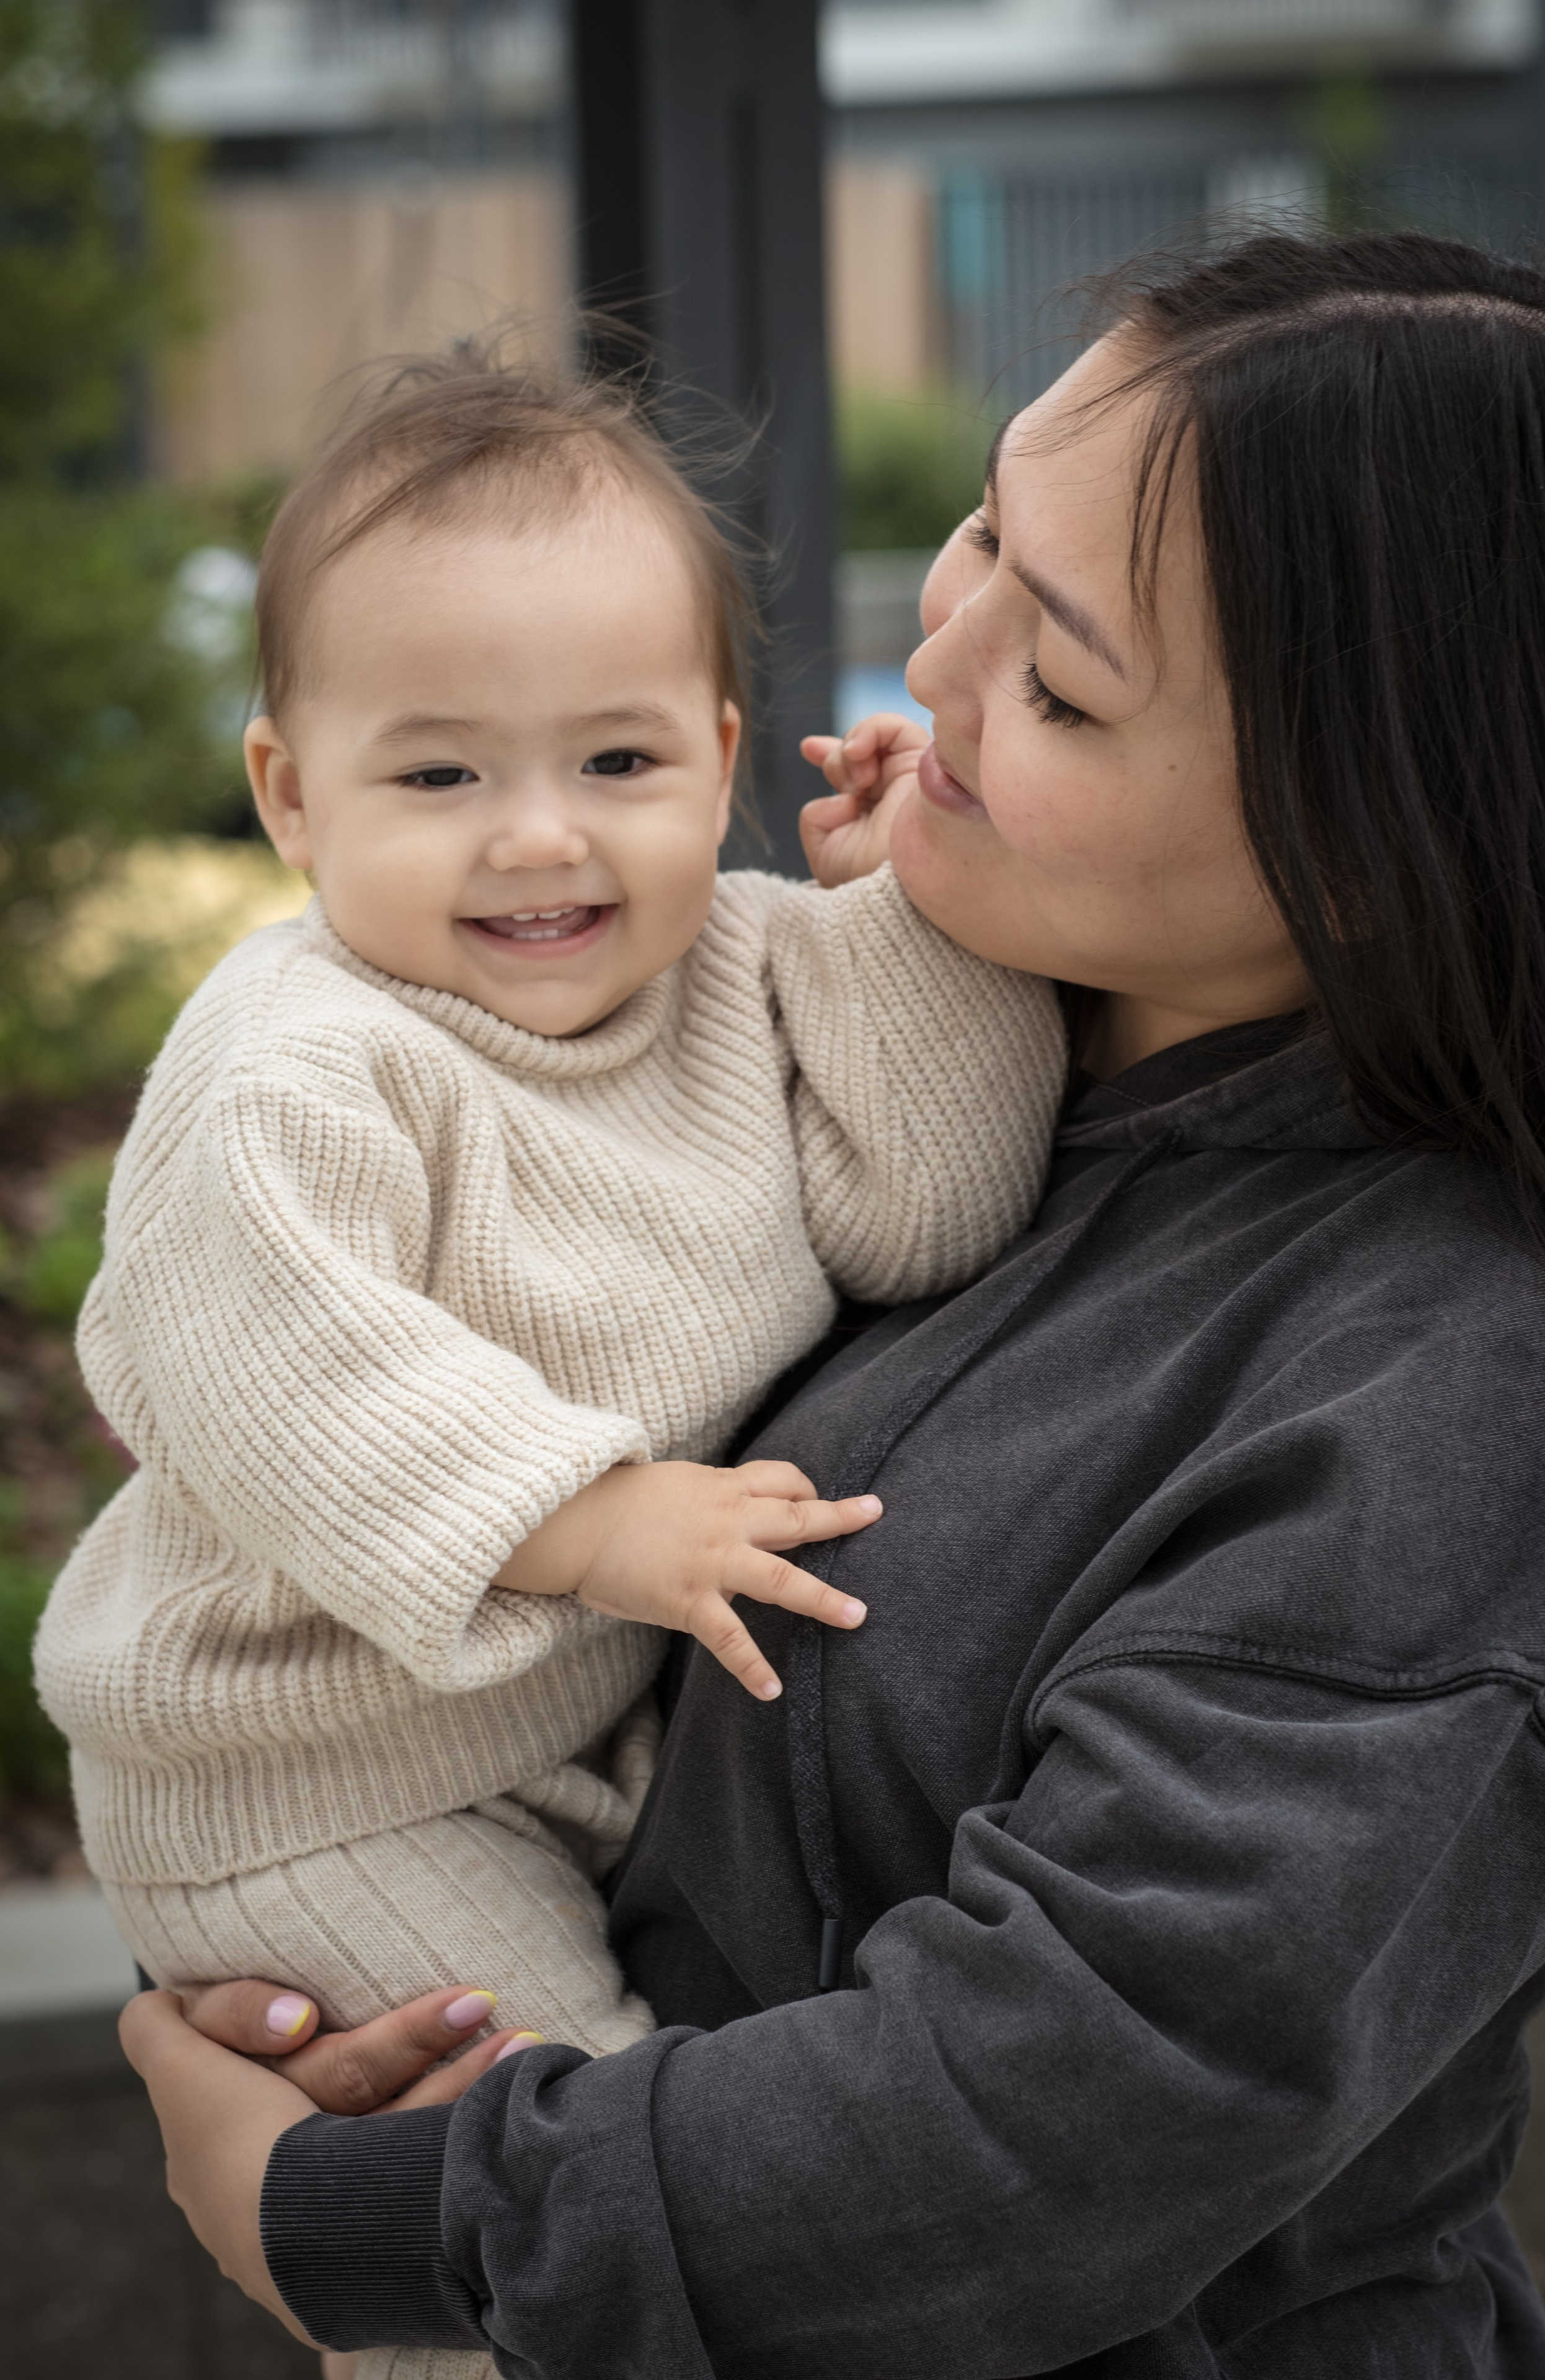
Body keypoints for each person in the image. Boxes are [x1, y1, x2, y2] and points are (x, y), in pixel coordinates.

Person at [121, 229, 1545, 2378]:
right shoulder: (1014, 1029)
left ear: (1369, 839)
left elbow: (1041, 2119)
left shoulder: (1453, 1402)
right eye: (986, 526)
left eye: (1064, 687)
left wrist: (353, 2209)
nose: (944, 654)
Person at [34, 342, 1065, 2380]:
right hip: (305, 1784)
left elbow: (926, 1207)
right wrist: (589, 1515)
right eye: (439, 776)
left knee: (645, 2170)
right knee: (523, 2187)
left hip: (561, 1736)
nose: (540, 844)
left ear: (721, 748)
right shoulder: (298, 1062)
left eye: (616, 766)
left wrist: (904, 922)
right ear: (288, 792)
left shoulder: (748, 961)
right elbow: (270, 1371)